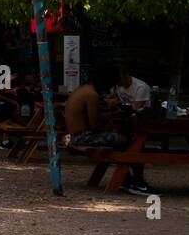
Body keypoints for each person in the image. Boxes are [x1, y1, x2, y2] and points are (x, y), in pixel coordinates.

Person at [66, 63, 155, 195]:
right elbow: (95, 124)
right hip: (83, 137)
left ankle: (127, 179)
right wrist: (110, 117)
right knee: (131, 141)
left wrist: (109, 114)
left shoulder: (82, 89)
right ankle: (137, 181)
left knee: (122, 139)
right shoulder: (91, 95)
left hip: (78, 134)